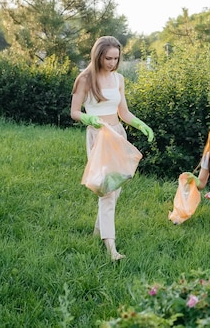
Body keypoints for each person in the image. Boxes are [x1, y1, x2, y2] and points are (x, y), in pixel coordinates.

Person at [70, 36, 154, 261]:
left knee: (115, 189)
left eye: (116, 58)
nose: (112, 63)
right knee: (106, 191)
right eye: (108, 58)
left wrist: (140, 124)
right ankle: (111, 249)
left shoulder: (119, 79)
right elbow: (75, 112)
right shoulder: (86, 79)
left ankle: (99, 231)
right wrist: (90, 120)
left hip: (117, 133)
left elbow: (123, 112)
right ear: (98, 56)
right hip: (99, 136)